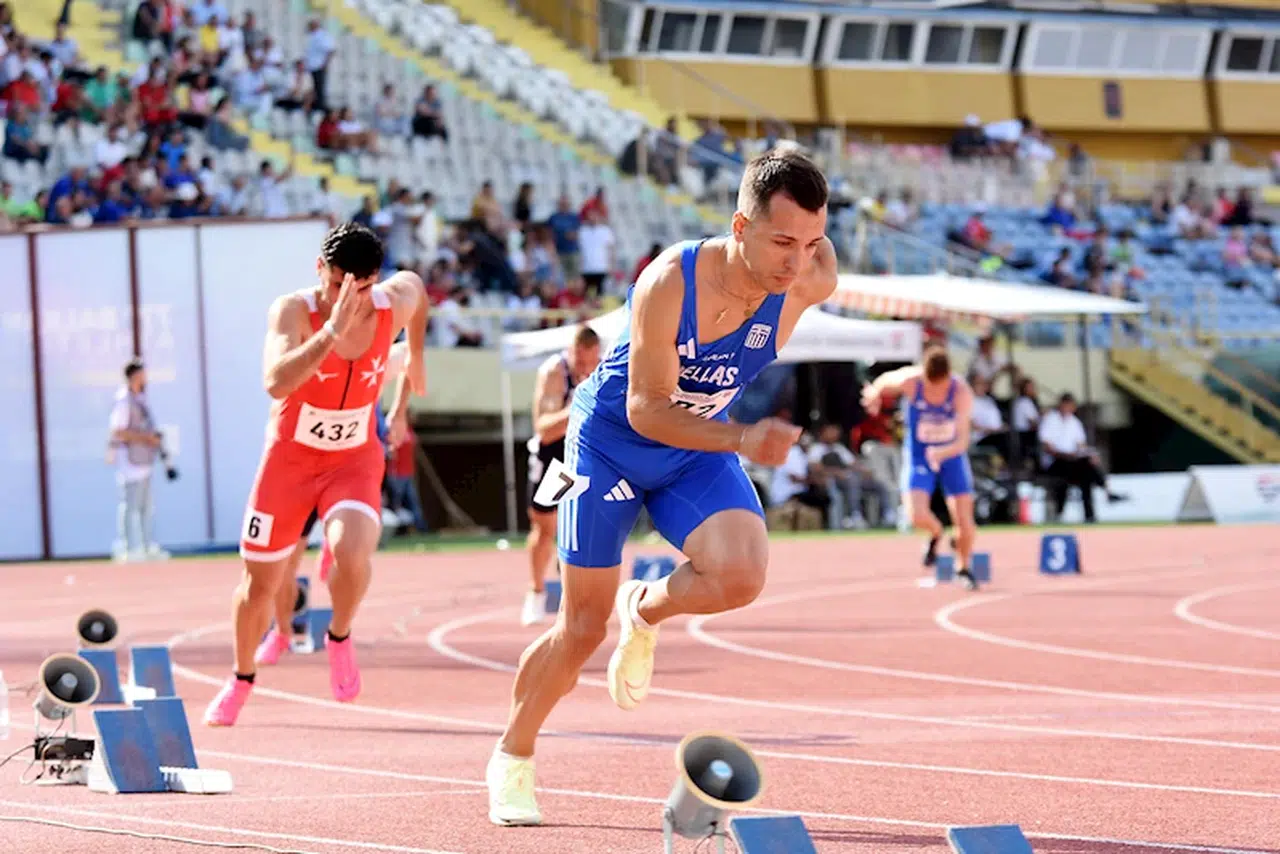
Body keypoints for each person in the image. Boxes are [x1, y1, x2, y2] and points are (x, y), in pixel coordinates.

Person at [485, 148, 838, 826]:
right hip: (610, 445)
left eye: (811, 242)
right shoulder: (671, 281)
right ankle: (514, 755)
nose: (797, 261)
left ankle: (645, 609)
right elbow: (647, 409)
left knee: (742, 575)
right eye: (782, 242)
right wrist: (743, 438)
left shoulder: (809, 278)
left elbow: (814, 255)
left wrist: (732, 437)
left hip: (691, 451)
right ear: (740, 227)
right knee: (580, 629)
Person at [203, 222, 426, 727]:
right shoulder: (293, 310)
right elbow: (275, 381)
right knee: (259, 584)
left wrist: (414, 366)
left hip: (353, 460)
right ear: (320, 270)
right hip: (290, 463)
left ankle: (339, 636)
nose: (350, 300)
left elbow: (418, 292)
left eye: (361, 289)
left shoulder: (391, 304)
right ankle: (241, 678)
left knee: (352, 551)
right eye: (337, 285)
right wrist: (330, 333)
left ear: (374, 280)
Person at [861, 346, 980, 590]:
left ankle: (963, 568)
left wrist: (941, 453)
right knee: (915, 515)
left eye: (940, 387)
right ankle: (937, 533)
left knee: (964, 520)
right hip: (919, 456)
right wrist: (873, 395)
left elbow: (962, 442)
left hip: (951, 456)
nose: (935, 392)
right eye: (930, 386)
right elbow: (884, 381)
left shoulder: (960, 392)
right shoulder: (912, 381)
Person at [520, 323, 602, 626]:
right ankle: (536, 592)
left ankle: (577, 594)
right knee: (544, 528)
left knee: (586, 526)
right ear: (571, 352)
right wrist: (580, 406)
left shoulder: (603, 371)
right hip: (553, 455)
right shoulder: (555, 373)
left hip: (583, 453)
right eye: (580, 360)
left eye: (590, 361)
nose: (585, 367)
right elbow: (544, 428)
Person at [106, 356, 172, 562]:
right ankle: (126, 547)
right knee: (129, 504)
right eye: (142, 373)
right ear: (134, 375)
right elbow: (118, 431)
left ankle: (146, 546)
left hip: (144, 459)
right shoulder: (123, 400)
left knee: (146, 506)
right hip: (130, 460)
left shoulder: (141, 399)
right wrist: (145, 438)